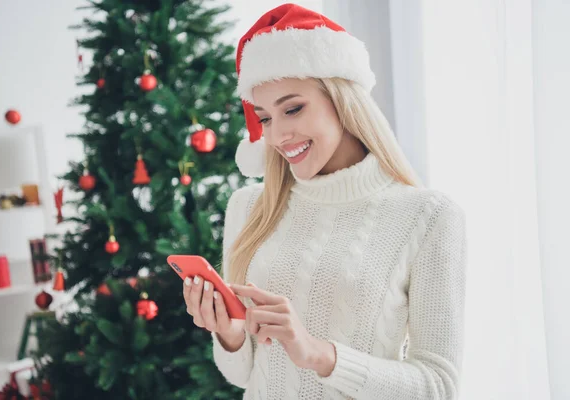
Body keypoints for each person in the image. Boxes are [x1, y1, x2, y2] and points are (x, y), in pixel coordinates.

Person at [182, 3, 467, 399]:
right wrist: (229, 332)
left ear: (342, 100)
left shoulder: (428, 216)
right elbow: (244, 375)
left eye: (293, 109)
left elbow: (438, 386)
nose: (278, 135)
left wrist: (320, 355)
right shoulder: (249, 209)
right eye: (264, 118)